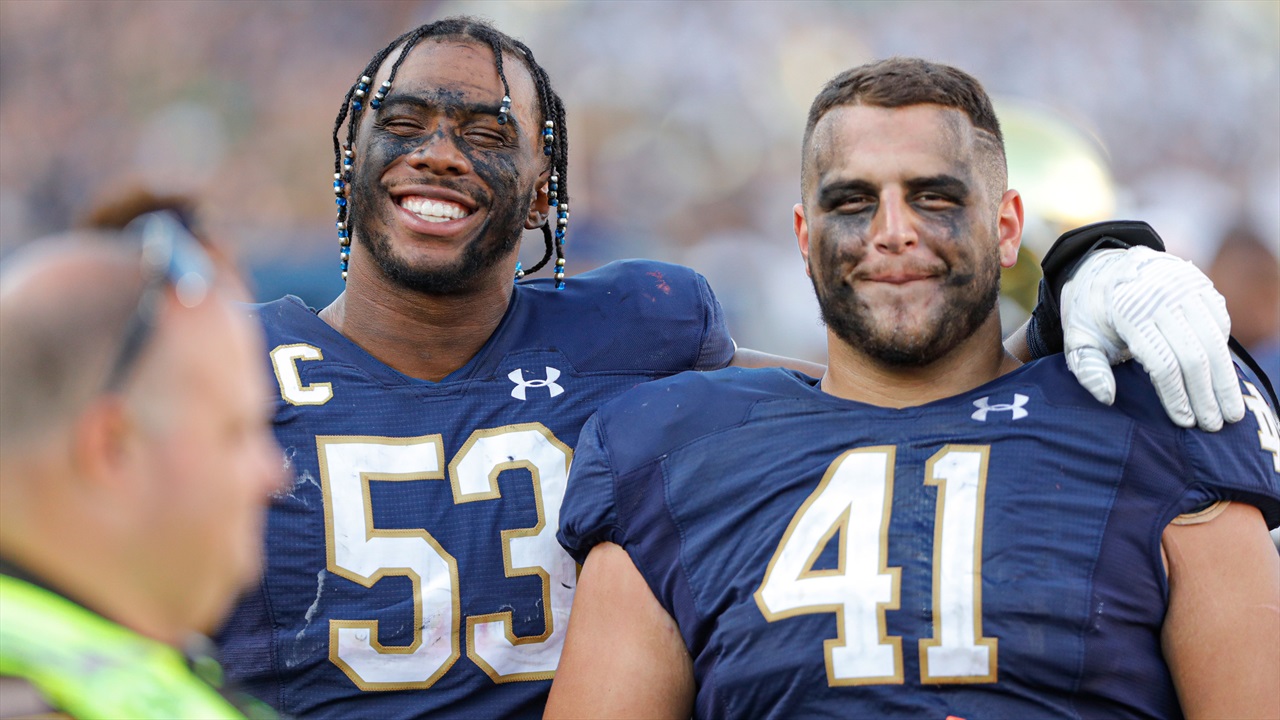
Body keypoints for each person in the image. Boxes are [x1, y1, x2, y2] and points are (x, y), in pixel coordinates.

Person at [214, 17, 1248, 719]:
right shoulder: (222, 362)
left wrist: (1073, 285)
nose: (439, 152)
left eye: (487, 132)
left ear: (542, 193)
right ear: (349, 152)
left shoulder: (639, 336)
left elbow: (888, 394)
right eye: (404, 123)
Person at [549, 58, 1280, 719]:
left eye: (933, 196)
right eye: (852, 201)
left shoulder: (1148, 423)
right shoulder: (675, 454)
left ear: (1007, 227)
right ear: (803, 237)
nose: (893, 230)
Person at [0, 216, 285, 718]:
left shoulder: (108, 667)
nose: (274, 475)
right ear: (112, 449)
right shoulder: (36, 700)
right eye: (236, 433)